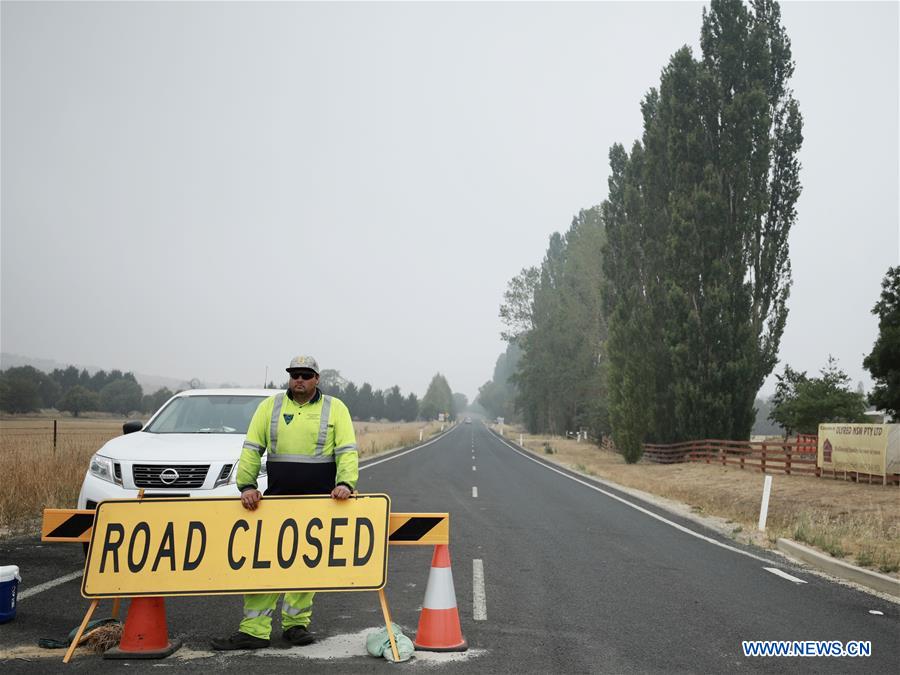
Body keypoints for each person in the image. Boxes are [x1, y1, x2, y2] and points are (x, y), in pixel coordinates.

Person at [212, 355, 358, 650]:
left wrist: (345, 483)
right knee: (263, 563)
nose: (299, 380)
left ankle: (295, 625)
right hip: (277, 501)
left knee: (306, 564)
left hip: (319, 503)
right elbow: (252, 447)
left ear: (317, 379)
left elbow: (346, 450)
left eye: (305, 375)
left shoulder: (335, 408)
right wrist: (247, 486)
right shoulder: (271, 407)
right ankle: (254, 630)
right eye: (294, 375)